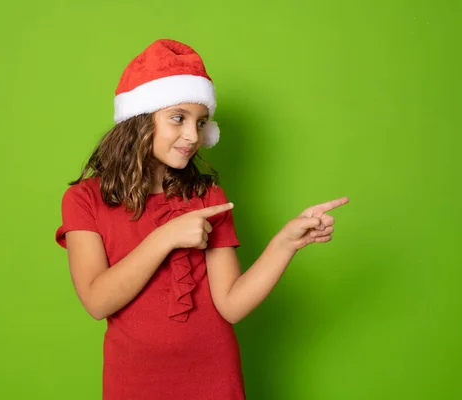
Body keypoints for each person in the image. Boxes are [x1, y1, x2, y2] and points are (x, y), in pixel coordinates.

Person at [55, 39, 348, 400]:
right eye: (178, 118)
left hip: (214, 375)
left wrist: (284, 244)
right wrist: (165, 237)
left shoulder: (207, 197)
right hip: (134, 380)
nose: (194, 136)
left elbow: (232, 304)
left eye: (201, 122)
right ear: (139, 120)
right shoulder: (83, 200)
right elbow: (97, 302)